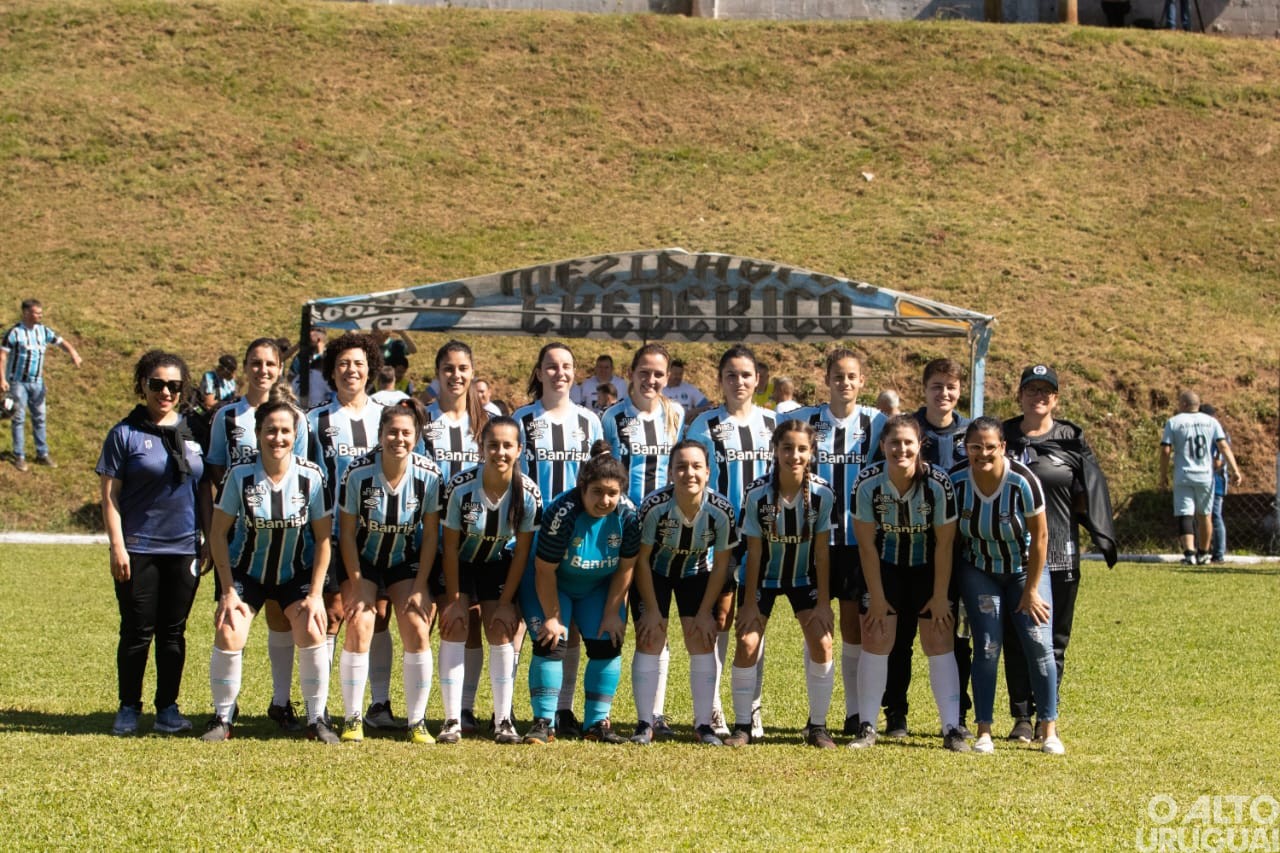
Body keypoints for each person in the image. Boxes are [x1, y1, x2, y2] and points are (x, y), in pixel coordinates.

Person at [201, 390, 337, 743]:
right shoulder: (239, 475)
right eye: (270, 431)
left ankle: (316, 719)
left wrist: (318, 594)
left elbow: (324, 540)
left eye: (285, 431)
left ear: (296, 435)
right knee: (230, 629)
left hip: (295, 573)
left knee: (311, 626)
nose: (278, 438)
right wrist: (228, 590)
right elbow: (218, 535)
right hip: (247, 572)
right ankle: (222, 717)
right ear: (259, 434)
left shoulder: (311, 477)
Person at [1002, 364, 1117, 743]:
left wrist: (1102, 534)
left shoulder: (1070, 438)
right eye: (1031, 390)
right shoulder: (1001, 436)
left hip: (1060, 554)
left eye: (1046, 391)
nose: (1038, 396)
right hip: (1013, 553)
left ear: (1056, 398)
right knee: (1016, 637)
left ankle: (1045, 715)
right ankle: (1020, 715)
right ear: (1019, 395)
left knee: (1053, 640)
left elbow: (1090, 488)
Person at [98, 350, 207, 736]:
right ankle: (128, 707)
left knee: (174, 633)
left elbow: (205, 491)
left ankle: (168, 709)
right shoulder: (124, 433)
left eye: (174, 386)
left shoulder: (196, 431)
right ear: (142, 384)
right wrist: (117, 546)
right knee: (137, 630)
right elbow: (109, 496)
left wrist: (207, 541)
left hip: (184, 549)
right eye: (157, 383)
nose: (165, 392)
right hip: (138, 548)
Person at [207, 337, 311, 733]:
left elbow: (301, 470)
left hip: (285, 531)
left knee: (280, 617)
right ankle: (226, 709)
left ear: (280, 368)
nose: (262, 370)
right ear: (245, 367)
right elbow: (215, 467)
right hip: (238, 532)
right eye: (255, 363)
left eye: (270, 363)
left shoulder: (295, 419)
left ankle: (280, 702)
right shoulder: (227, 416)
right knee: (232, 616)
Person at [781, 349, 884, 737]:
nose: (845, 382)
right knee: (818, 626)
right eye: (838, 376)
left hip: (859, 541)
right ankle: (816, 714)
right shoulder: (806, 420)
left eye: (852, 376)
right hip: (815, 540)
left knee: (856, 626)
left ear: (862, 382)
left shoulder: (876, 421)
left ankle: (855, 714)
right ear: (827, 379)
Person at [849, 415, 967, 752]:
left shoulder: (938, 483)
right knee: (876, 635)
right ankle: (867, 726)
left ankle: (951, 728)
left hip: (929, 567)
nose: (901, 449)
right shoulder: (867, 483)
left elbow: (945, 544)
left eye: (908, 443)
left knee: (939, 638)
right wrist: (876, 594)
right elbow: (866, 545)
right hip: (884, 566)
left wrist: (941, 595)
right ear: (883, 446)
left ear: (919, 446)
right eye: (894, 443)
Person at [950, 417, 1063, 755]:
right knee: (987, 646)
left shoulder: (1022, 480)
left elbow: (1041, 536)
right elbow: (950, 538)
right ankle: (984, 730)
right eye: (975, 447)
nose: (982, 453)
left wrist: (1030, 590)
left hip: (1023, 570)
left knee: (1037, 643)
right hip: (980, 570)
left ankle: (1049, 728)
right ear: (966, 448)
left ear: (1002, 447)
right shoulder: (957, 480)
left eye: (990, 447)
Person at [519, 442, 640, 744]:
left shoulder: (627, 516)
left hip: (596, 587)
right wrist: (552, 617)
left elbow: (626, 568)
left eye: (612, 493)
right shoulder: (562, 512)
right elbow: (544, 570)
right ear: (582, 487)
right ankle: (543, 722)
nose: (605, 499)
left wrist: (613, 613)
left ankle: (597, 723)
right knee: (552, 642)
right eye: (597, 491)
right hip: (552, 583)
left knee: (607, 645)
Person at [725, 420, 836, 748]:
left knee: (823, 643)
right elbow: (754, 553)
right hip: (764, 579)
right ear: (775, 450)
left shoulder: (821, 494)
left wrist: (823, 603)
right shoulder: (758, 493)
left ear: (812, 452)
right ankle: (742, 726)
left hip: (804, 579)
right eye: (787, 448)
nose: (794, 455)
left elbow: (822, 553)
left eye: (802, 448)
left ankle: (817, 727)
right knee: (747, 643)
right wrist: (748, 605)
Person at [336, 401, 442, 744]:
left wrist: (421, 586)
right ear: (380, 435)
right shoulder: (357, 473)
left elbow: (429, 539)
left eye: (406, 433)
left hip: (403, 559)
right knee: (361, 621)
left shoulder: (429, 475)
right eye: (392, 432)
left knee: (415, 624)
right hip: (363, 559)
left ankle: (417, 722)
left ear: (417, 437)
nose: (399, 438)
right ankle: (353, 718)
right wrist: (356, 584)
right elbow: (347, 535)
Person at [513, 342, 605, 738]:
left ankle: (563, 711)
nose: (559, 373)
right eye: (551, 366)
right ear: (538, 372)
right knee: (541, 626)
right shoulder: (521, 420)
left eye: (566, 366)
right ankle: (521, 712)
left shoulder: (590, 422)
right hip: (534, 535)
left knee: (575, 629)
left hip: (579, 536)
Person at [686, 345, 777, 739]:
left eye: (746, 375)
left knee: (755, 623)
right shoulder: (703, 425)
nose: (739, 382)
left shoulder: (775, 423)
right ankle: (714, 710)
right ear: (720, 380)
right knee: (719, 620)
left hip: (764, 537)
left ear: (758, 380)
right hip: (719, 537)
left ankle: (751, 708)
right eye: (731, 375)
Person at [307, 333, 395, 728]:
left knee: (378, 615)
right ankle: (321, 705)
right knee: (332, 614)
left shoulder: (387, 418)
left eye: (359, 363)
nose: (351, 370)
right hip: (330, 533)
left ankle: (378, 705)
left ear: (371, 369)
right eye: (343, 363)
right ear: (332, 370)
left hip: (377, 533)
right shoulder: (314, 420)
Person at [439, 416, 543, 744]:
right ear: (481, 448)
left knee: (501, 629)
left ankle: (503, 722)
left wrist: (504, 603)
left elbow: (522, 554)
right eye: (492, 445)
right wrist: (455, 599)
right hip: (461, 564)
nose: (499, 451)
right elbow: (450, 546)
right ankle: (452, 720)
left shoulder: (528, 493)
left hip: (498, 564)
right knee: (458, 624)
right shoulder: (461, 487)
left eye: (507, 445)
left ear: (519, 450)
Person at [885, 357, 972, 739]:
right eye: (937, 386)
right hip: (906, 551)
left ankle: (958, 716)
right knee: (899, 637)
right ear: (925, 389)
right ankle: (896, 714)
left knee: (953, 636)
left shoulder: (971, 433)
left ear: (959, 391)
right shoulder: (905, 431)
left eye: (951, 387)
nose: (944, 393)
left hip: (956, 551)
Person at [602, 344, 685, 740]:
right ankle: (593, 710)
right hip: (621, 533)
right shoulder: (611, 418)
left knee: (657, 622)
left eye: (659, 374)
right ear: (630, 373)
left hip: (662, 535)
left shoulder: (676, 415)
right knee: (610, 621)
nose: (651, 380)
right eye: (644, 372)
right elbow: (606, 475)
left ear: (667, 378)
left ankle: (655, 713)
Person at [423, 340, 492, 734]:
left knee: (476, 620)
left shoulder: (489, 420)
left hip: (480, 539)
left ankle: (464, 709)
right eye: (448, 368)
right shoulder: (424, 421)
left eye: (463, 367)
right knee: (433, 620)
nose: (456, 375)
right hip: (433, 537)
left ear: (472, 372)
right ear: (438, 373)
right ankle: (392, 703)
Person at [1159, 390, 1242, 565]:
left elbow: (1166, 450)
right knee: (1205, 515)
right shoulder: (1211, 422)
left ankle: (1189, 553)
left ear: (1183, 404)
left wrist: (1163, 475)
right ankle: (1204, 553)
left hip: (1183, 474)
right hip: (1205, 475)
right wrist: (1235, 470)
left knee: (1185, 514)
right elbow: (1223, 446)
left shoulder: (1174, 422)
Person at [1, 298, 83, 471]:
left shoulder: (43, 331)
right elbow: (2, 356)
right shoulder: (14, 333)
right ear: (26, 313)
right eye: (36, 312)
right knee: (18, 418)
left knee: (40, 417)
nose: (40, 315)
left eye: (40, 312)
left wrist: (73, 353)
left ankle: (42, 453)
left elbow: (60, 342)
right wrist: (2, 379)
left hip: (37, 382)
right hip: (18, 383)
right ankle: (19, 456)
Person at [1200, 403, 1230, 562]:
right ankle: (1204, 550)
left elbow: (1218, 462)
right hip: (1204, 479)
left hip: (1216, 480)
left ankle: (1218, 554)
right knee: (1204, 516)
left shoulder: (1218, 433)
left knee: (1215, 515)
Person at [289, 328, 329, 409]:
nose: (307, 342)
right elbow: (290, 377)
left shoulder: (328, 356)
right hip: (299, 403)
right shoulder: (300, 357)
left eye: (309, 340)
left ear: (318, 340)